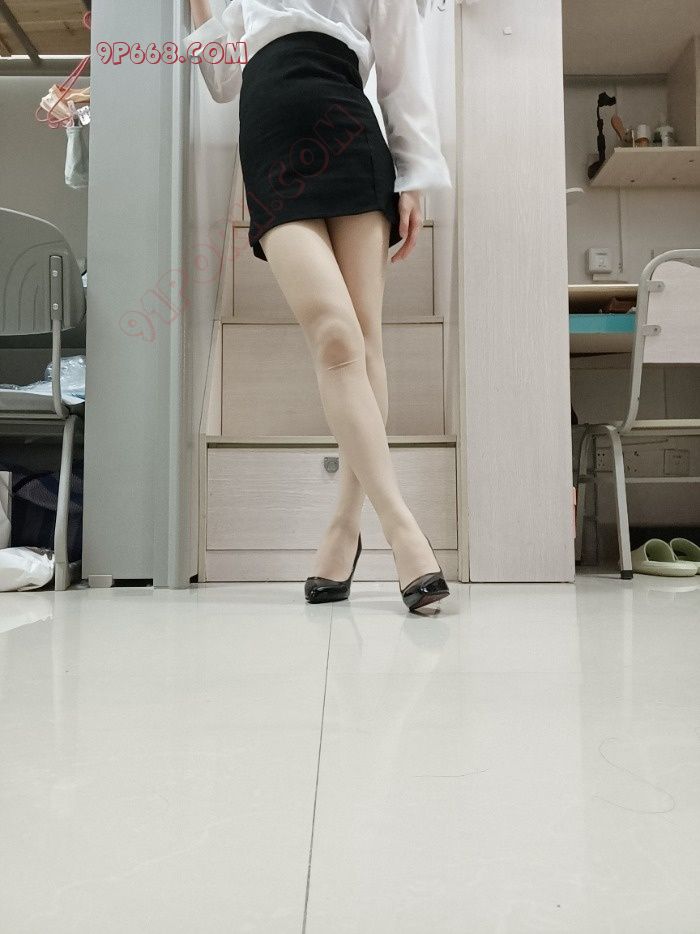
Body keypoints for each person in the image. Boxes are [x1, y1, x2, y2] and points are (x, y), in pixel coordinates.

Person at [187, 0, 453, 612]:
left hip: (349, 128)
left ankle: (343, 526)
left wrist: (413, 176)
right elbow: (223, 79)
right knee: (334, 334)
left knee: (365, 339)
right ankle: (403, 527)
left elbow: (402, 68)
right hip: (270, 137)